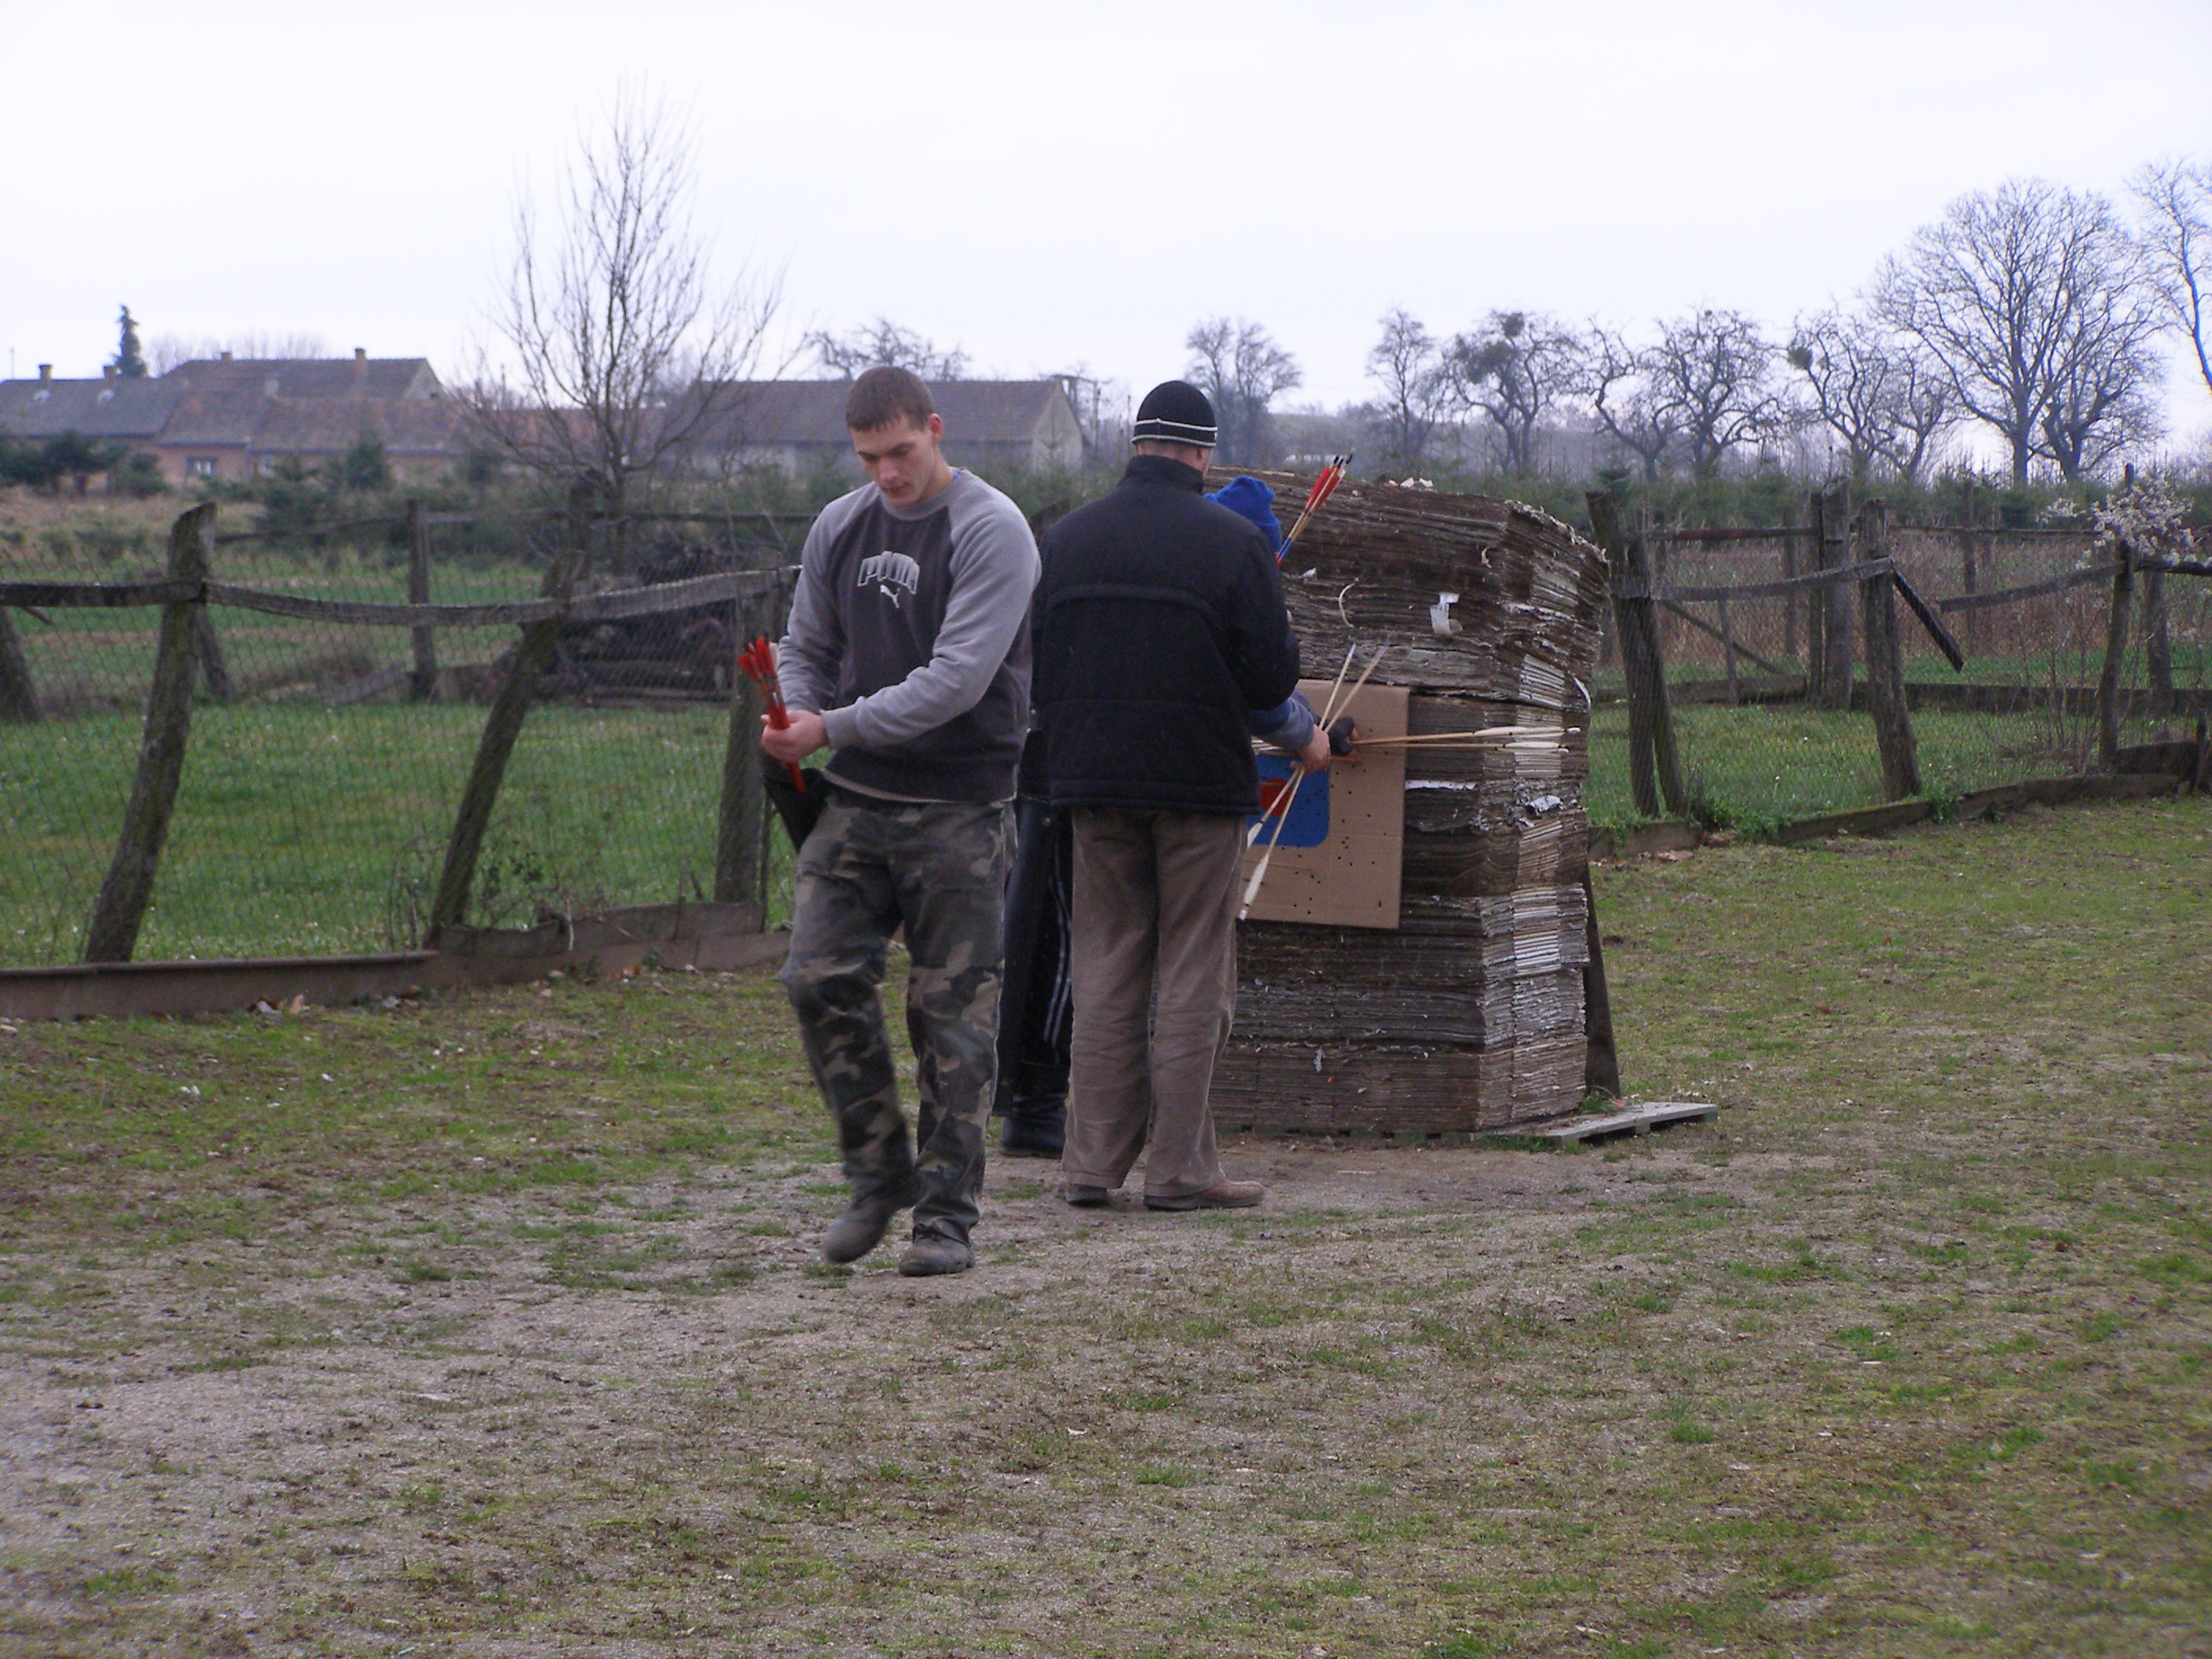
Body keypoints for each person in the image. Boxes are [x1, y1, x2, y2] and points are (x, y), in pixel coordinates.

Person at [767, 366, 1040, 1276]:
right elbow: (805, 644)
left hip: (962, 805)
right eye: (868, 457)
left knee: (950, 1018)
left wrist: (828, 726)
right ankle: (876, 1172)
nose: (886, 473)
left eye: (900, 451)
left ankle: (945, 1218)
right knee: (815, 975)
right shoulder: (839, 526)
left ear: (935, 430)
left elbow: (955, 681)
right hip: (855, 799)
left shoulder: (992, 531)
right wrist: (791, 715)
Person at [1031, 380, 1331, 1212]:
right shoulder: (1232, 544)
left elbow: (1039, 668)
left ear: (1135, 445)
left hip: (1093, 784)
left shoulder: (1066, 540)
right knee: (1194, 972)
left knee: (1106, 965)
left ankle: (1090, 1166)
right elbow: (1268, 681)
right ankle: (1179, 1171)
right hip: (1199, 787)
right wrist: (1304, 732)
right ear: (1202, 453)